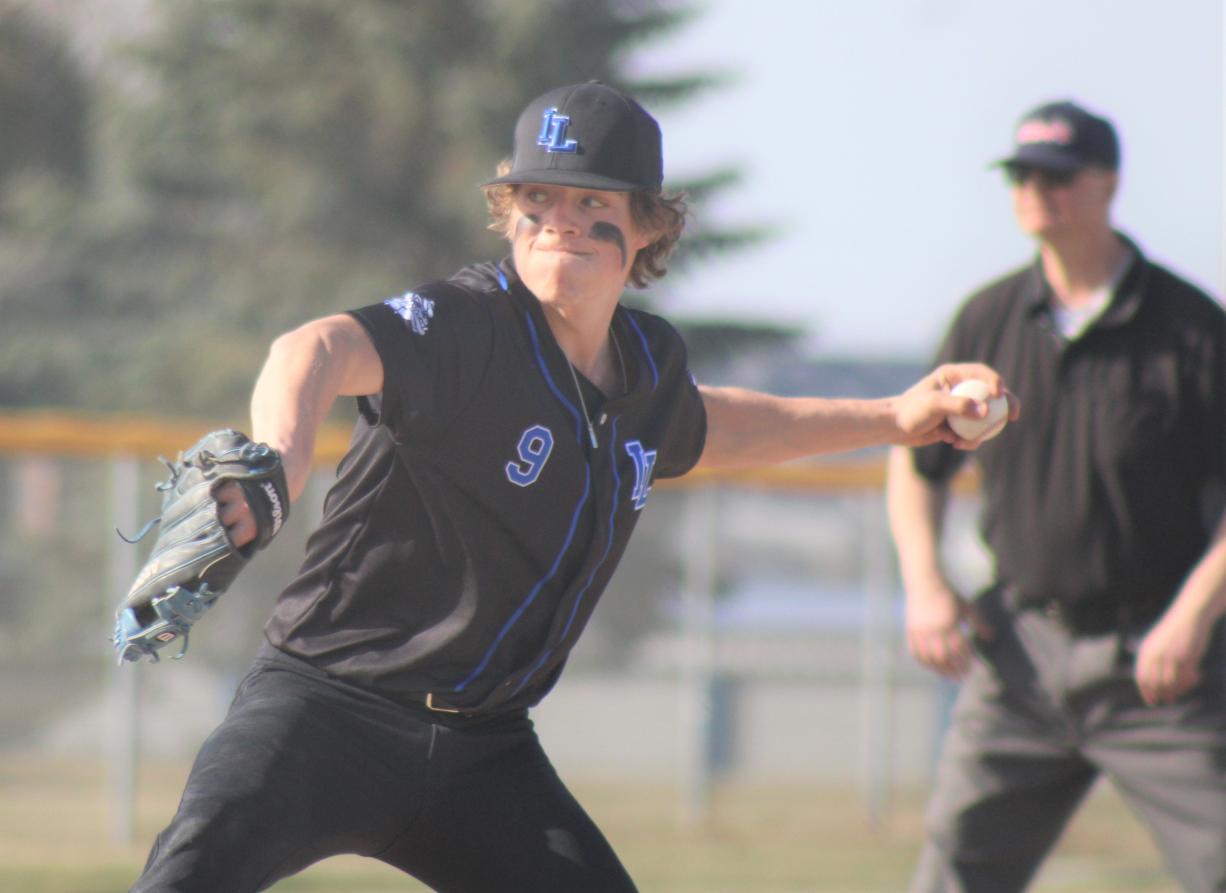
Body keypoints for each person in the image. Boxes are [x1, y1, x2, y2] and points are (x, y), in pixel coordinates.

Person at [130, 81, 1010, 893]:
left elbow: (719, 425)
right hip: (325, 712)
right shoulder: (467, 325)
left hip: (484, 751)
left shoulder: (648, 368)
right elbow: (311, 349)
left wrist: (895, 416)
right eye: (536, 200)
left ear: (650, 228)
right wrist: (281, 460)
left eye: (593, 204)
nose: (558, 223)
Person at [887, 99, 1226, 893]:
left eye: (1059, 176)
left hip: (1155, 659)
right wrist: (926, 585)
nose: (1037, 191)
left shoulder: (1192, 329)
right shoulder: (988, 319)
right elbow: (914, 463)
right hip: (1021, 657)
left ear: (1108, 183)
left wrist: (1193, 616)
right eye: (1023, 175)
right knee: (954, 870)